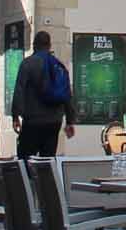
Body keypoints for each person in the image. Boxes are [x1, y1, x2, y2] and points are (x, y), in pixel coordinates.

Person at [9, 30, 76, 160]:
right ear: (49, 45)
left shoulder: (27, 64)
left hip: (33, 120)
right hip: (54, 121)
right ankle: (46, 180)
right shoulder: (58, 65)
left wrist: (15, 116)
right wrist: (69, 121)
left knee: (26, 160)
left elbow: (19, 90)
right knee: (47, 161)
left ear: (34, 45)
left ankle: (29, 180)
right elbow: (66, 94)